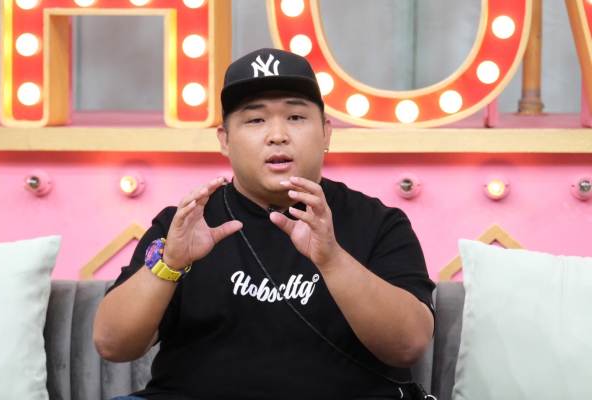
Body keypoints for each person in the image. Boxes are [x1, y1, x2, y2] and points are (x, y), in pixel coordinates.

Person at [94, 48, 435, 400]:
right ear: (225, 140)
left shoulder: (379, 222)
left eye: (296, 117)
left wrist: (332, 260)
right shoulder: (185, 224)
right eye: (255, 120)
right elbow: (112, 344)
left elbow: (408, 345)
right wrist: (170, 264)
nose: (277, 135)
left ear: (326, 133)